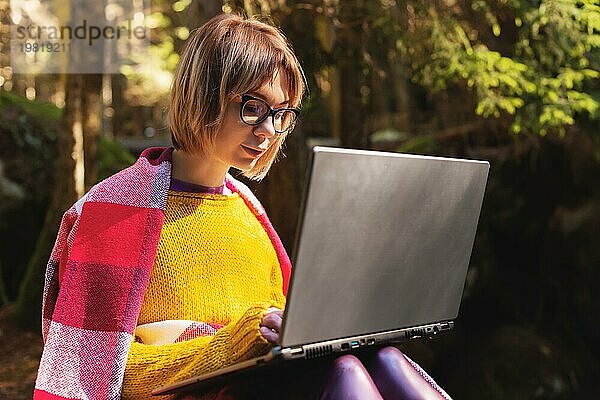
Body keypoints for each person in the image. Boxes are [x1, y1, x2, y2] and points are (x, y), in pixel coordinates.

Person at [33, 13, 451, 400]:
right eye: (253, 108)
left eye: (282, 114)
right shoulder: (115, 214)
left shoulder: (249, 214)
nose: (269, 131)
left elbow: (285, 340)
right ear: (203, 95)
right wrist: (232, 342)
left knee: (383, 359)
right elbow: (87, 376)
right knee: (348, 376)